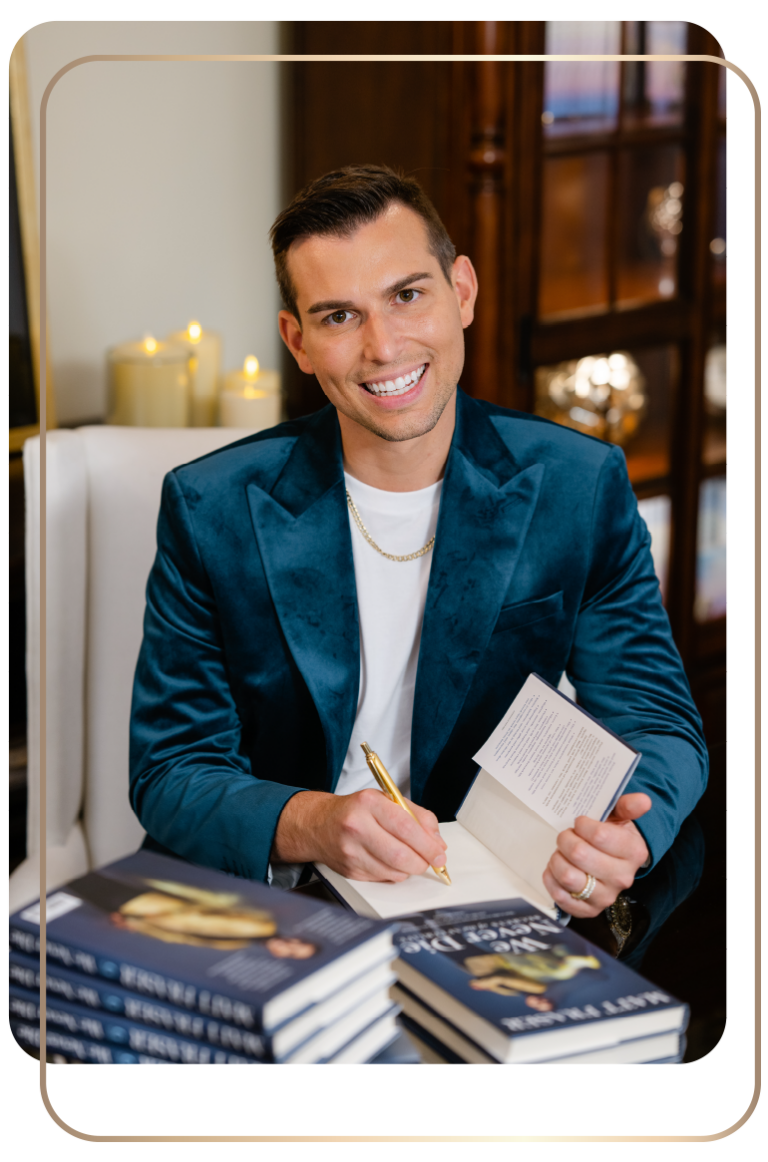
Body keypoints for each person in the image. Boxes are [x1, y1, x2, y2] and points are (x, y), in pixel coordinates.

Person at [129, 164, 708, 922]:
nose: (383, 345)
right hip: (284, 904)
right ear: (297, 341)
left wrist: (633, 832)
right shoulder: (209, 509)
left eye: (407, 295)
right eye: (338, 317)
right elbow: (171, 769)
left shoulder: (578, 483)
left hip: (494, 892)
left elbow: (656, 719)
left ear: (461, 291)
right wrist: (313, 822)